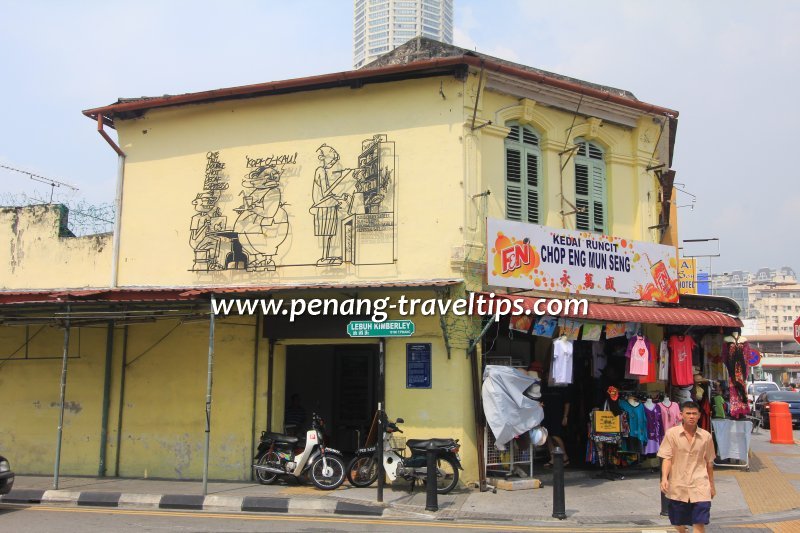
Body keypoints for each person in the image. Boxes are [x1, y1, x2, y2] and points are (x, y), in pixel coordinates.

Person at [658, 401, 716, 533]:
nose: (691, 416)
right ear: (681, 415)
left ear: (699, 415)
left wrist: (712, 486)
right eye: (688, 413)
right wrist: (665, 478)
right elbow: (667, 458)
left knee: (699, 523)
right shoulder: (671, 434)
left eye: (694, 413)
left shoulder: (706, 437)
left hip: (700, 485)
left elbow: (709, 463)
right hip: (678, 485)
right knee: (677, 522)